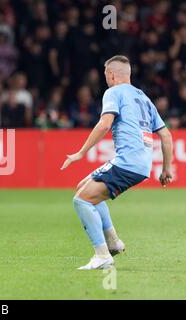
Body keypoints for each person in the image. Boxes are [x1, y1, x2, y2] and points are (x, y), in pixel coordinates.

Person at [61, 55, 174, 270]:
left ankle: (102, 255)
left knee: (81, 201)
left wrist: (80, 153)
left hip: (127, 162)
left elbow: (105, 124)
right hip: (141, 165)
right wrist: (166, 169)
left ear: (111, 75)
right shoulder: (144, 98)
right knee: (84, 189)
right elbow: (166, 136)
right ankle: (113, 242)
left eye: (106, 75)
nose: (106, 79)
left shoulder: (113, 92)